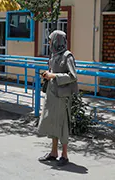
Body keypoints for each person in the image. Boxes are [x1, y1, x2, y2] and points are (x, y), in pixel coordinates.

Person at [38, 30, 78, 166]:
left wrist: (54, 76)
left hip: (62, 96)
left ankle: (64, 155)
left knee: (62, 125)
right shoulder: (54, 55)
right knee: (52, 123)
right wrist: (47, 75)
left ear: (57, 40)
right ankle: (54, 152)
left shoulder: (68, 56)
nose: (49, 42)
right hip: (52, 94)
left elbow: (73, 76)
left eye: (50, 39)